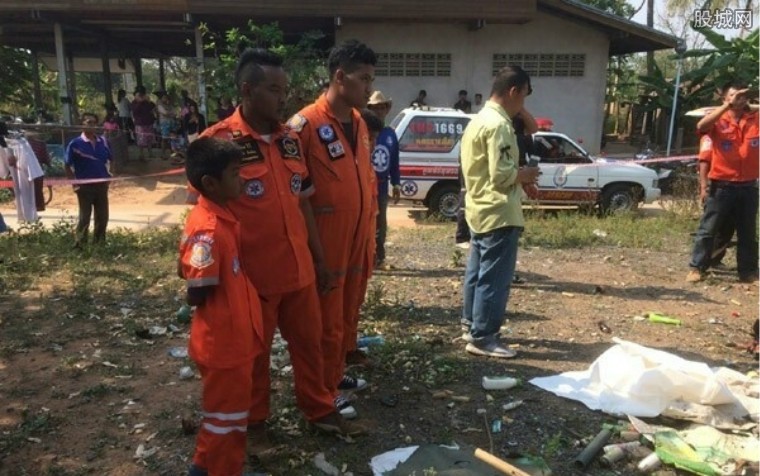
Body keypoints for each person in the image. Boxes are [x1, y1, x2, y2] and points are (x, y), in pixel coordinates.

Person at [196, 48, 364, 446]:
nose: (282, 98)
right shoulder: (219, 144)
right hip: (253, 279)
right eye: (273, 90)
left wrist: (319, 260)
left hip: (299, 272)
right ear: (247, 90)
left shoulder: (290, 140)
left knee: (313, 345)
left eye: (285, 90)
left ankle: (319, 408)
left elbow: (303, 202)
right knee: (255, 357)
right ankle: (255, 425)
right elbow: (203, 216)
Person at [288, 39, 376, 418]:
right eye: (363, 79)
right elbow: (296, 196)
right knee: (324, 318)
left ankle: (336, 374)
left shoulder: (357, 122)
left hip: (357, 236)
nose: (369, 88)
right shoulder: (304, 126)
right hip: (324, 241)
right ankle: (322, 390)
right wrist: (313, 253)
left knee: (347, 308)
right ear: (340, 77)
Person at [180, 137, 265, 476]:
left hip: (234, 340)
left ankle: (218, 466)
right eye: (234, 173)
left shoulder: (220, 215)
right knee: (224, 417)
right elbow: (197, 289)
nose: (242, 179)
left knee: (230, 413)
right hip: (223, 344)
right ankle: (215, 470)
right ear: (210, 183)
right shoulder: (209, 229)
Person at [459, 65, 540, 358]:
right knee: (495, 278)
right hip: (499, 210)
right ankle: (484, 337)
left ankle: (471, 324)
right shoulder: (500, 125)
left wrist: (520, 178)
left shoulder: (478, 120)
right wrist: (527, 174)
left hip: (479, 207)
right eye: (524, 97)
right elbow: (502, 173)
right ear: (514, 91)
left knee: (477, 272)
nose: (523, 105)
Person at [687, 81, 758, 283]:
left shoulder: (755, 118)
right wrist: (729, 106)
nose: (739, 99)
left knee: (747, 232)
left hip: (748, 186)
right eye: (734, 95)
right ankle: (697, 267)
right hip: (722, 186)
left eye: (743, 96)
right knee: (708, 229)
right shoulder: (718, 119)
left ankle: (748, 272)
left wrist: (749, 104)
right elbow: (701, 126)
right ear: (724, 98)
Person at [64, 113, 113, 247]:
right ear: (82, 124)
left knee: (102, 217)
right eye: (88, 122)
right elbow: (67, 165)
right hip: (84, 187)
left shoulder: (103, 142)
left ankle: (99, 243)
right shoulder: (75, 144)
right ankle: (80, 244)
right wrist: (74, 184)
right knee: (84, 217)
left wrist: (109, 175)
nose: (91, 125)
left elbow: (110, 159)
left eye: (94, 123)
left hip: (101, 186)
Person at [366, 90, 401, 267]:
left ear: (386, 110)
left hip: (382, 185)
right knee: (366, 221)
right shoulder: (363, 131)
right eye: (374, 108)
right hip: (366, 185)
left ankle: (379, 255)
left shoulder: (390, 134)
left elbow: (394, 161)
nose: (378, 111)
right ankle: (366, 256)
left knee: (381, 221)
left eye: (381, 108)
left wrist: (396, 183)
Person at [696, 133, 736, 269]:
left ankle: (715, 259)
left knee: (727, 228)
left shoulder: (733, 135)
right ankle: (700, 263)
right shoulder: (708, 137)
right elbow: (704, 162)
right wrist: (704, 187)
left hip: (736, 186)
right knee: (710, 227)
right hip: (715, 185)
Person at [131, 86, 156, 161]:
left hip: (148, 122)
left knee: (149, 139)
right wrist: (139, 102)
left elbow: (152, 106)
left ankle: (150, 153)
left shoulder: (146, 102)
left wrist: (148, 101)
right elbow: (135, 111)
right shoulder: (134, 103)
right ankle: (141, 154)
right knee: (141, 140)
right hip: (140, 124)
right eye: (139, 95)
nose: (141, 96)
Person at [156, 91, 177, 158]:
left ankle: (172, 152)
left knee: (173, 138)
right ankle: (163, 153)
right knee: (164, 139)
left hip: (171, 122)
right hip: (164, 123)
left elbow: (175, 113)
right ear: (161, 98)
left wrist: (169, 113)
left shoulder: (170, 105)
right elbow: (165, 113)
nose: (165, 99)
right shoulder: (159, 105)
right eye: (164, 97)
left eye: (166, 97)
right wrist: (170, 113)